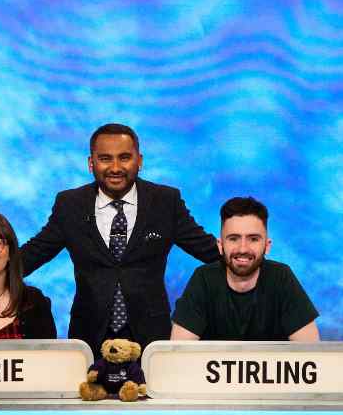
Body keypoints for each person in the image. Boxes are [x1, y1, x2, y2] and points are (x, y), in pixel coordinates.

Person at [19, 123, 220, 351]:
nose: (116, 167)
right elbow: (33, 254)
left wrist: (250, 258)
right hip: (89, 340)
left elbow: (209, 251)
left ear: (139, 160)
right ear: (91, 163)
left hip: (151, 341)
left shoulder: (165, 202)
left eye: (124, 157)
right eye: (105, 158)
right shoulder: (70, 204)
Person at [170, 197, 319, 341]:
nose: (243, 248)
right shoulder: (203, 279)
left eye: (253, 239)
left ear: (267, 245)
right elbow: (178, 354)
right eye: (233, 238)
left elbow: (311, 353)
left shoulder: (281, 278)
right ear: (220, 245)